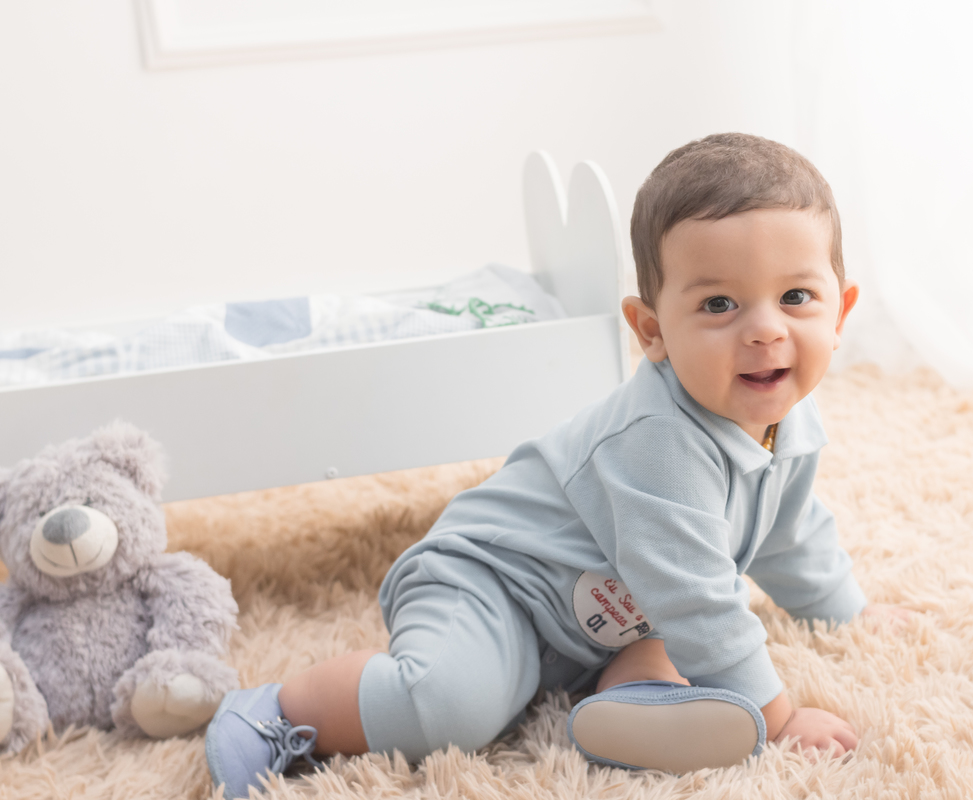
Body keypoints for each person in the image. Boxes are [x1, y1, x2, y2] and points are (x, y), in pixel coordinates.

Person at [204, 132, 909, 799]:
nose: (765, 329)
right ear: (652, 331)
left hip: (624, 609)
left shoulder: (788, 415)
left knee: (661, 637)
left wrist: (845, 611)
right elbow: (696, 594)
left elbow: (789, 529)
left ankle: (633, 697)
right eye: (719, 304)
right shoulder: (659, 439)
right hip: (497, 583)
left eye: (796, 298)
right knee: (450, 709)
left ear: (840, 313)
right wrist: (779, 718)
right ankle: (275, 708)